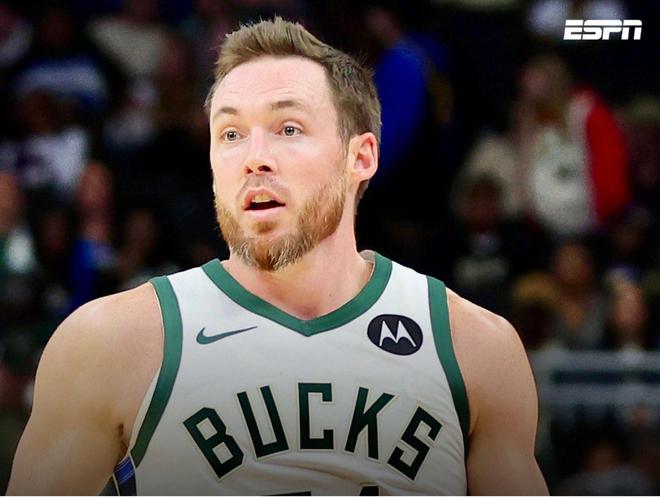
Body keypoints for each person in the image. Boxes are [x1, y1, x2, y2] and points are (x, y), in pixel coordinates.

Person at [8, 18, 548, 495]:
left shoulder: (473, 348)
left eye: (288, 129)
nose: (255, 158)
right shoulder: (113, 342)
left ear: (361, 156)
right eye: (231, 133)